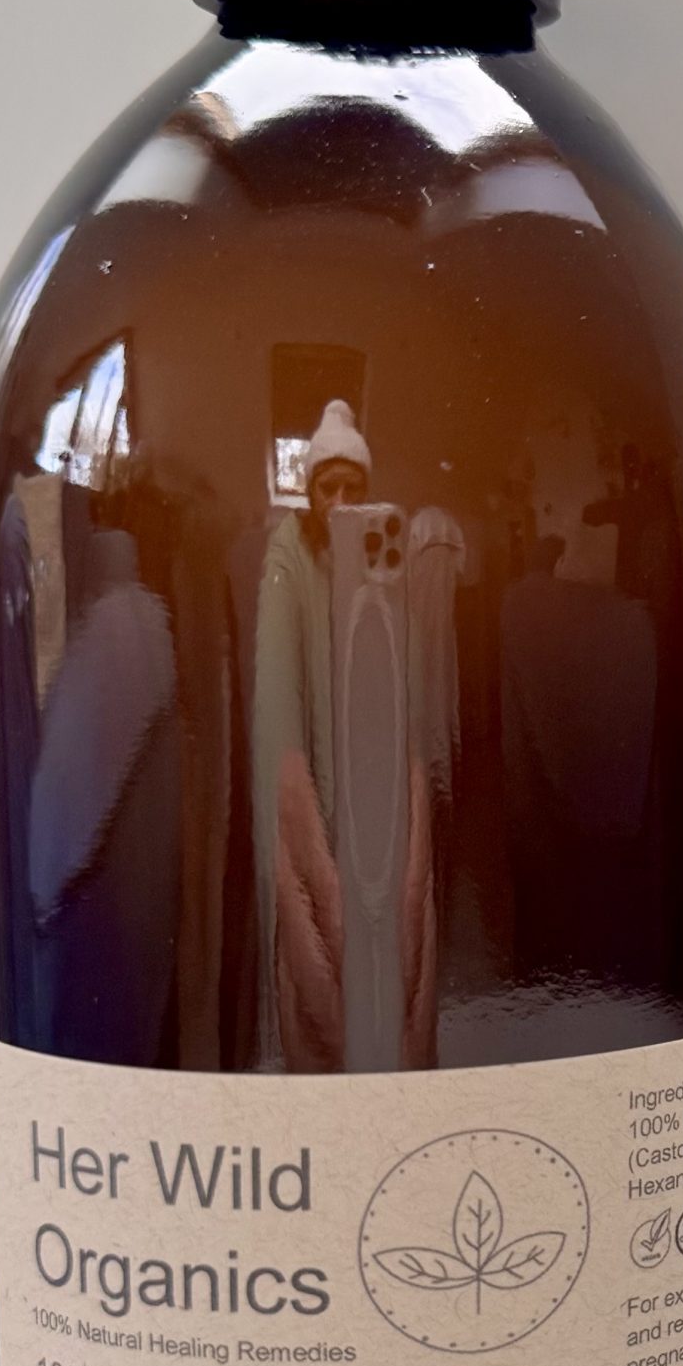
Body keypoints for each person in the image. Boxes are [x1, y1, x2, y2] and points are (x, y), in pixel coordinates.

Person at [252, 399, 370, 1065]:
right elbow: (277, 687)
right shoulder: (290, 554)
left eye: (353, 489)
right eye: (330, 488)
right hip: (312, 770)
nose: (341, 503)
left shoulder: (377, 556)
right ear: (312, 490)